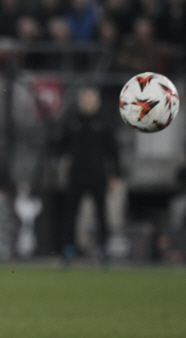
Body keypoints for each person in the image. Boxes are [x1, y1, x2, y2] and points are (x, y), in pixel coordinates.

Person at [59, 86, 120, 263]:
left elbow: (113, 151)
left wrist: (115, 176)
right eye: (85, 99)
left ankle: (103, 248)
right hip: (76, 175)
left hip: (98, 175)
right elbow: (60, 143)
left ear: (97, 101)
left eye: (91, 99)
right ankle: (68, 248)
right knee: (71, 213)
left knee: (101, 213)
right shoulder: (72, 121)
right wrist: (64, 155)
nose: (88, 102)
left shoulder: (104, 122)